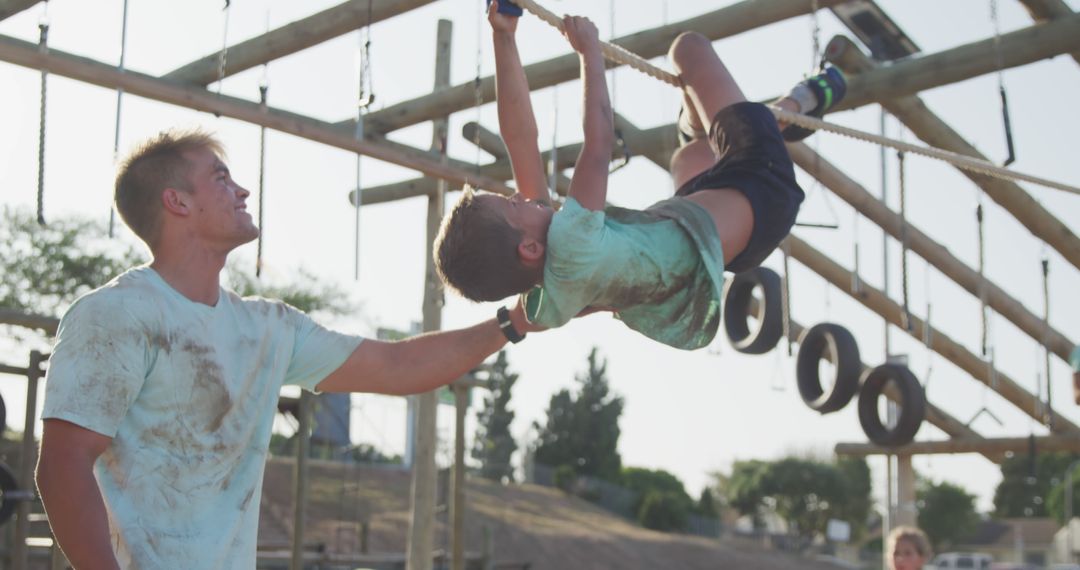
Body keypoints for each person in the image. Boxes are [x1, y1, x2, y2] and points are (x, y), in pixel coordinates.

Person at [35, 128, 539, 569]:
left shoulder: (267, 327)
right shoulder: (115, 313)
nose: (243, 190)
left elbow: (397, 365)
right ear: (177, 202)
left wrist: (516, 320)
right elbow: (62, 464)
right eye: (221, 178)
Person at [434, 0, 846, 350]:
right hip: (761, 185)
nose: (522, 197)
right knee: (689, 49)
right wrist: (589, 54)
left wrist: (503, 34)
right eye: (512, 204)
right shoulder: (572, 240)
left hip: (720, 235)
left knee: (689, 157)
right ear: (527, 247)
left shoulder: (547, 297)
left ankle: (738, 122)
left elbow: (520, 142)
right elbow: (598, 146)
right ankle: (794, 104)